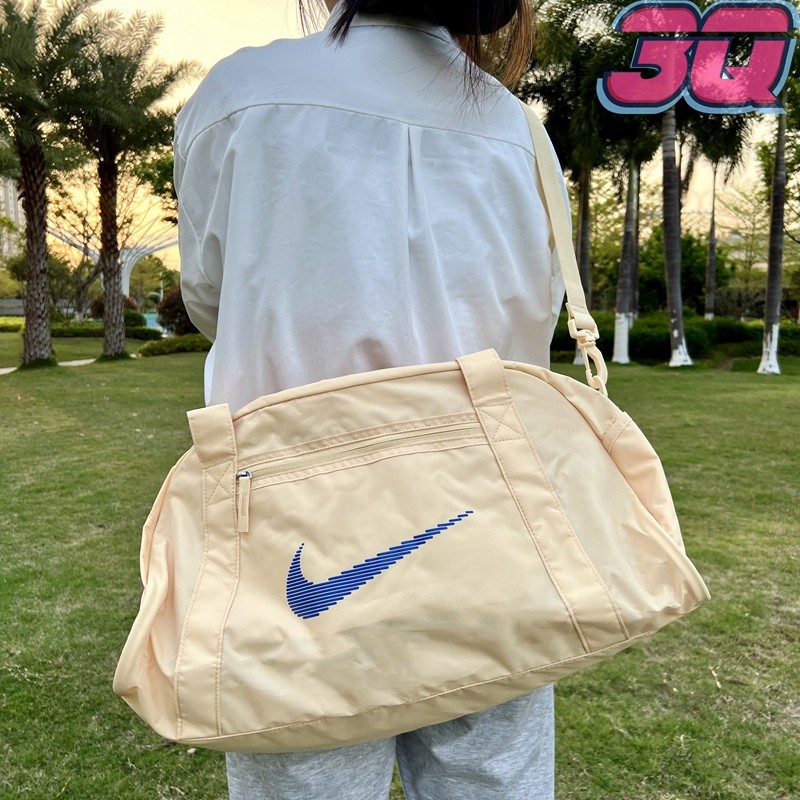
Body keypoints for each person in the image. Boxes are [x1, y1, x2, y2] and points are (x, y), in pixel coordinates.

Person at [175, 1, 567, 798]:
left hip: (294, 524)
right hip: (486, 526)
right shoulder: (518, 131)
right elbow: (533, 321)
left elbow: (213, 301)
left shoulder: (241, 96)